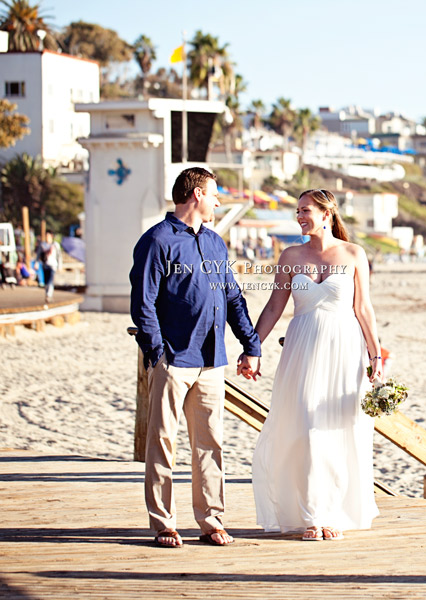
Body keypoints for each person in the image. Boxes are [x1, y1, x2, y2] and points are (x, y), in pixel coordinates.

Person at [129, 167, 261, 549]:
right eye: (214, 194)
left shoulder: (216, 243)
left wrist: (250, 344)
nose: (218, 201)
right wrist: (157, 353)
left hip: (211, 360)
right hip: (173, 359)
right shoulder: (156, 241)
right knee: (162, 443)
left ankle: (211, 520)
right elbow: (143, 303)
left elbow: (233, 297)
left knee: (210, 444)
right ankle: (164, 523)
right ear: (196, 194)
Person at [248, 188, 381, 542]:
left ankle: (332, 514)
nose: (300, 216)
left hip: (344, 352)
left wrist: (375, 355)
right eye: (297, 211)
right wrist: (252, 347)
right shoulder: (291, 256)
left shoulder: (354, 254)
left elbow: (363, 309)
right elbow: (274, 307)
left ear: (327, 213)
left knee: (337, 430)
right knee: (306, 427)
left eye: (306, 210)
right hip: (302, 351)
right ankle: (310, 514)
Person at [36, 231, 61, 303]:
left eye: (48, 236)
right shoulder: (43, 245)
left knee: (50, 281)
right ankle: (47, 294)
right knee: (46, 282)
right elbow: (38, 255)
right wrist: (36, 263)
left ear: (51, 236)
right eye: (46, 236)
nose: (47, 238)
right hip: (45, 265)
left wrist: (59, 266)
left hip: (53, 265)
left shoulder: (55, 245)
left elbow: (59, 256)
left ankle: (49, 295)